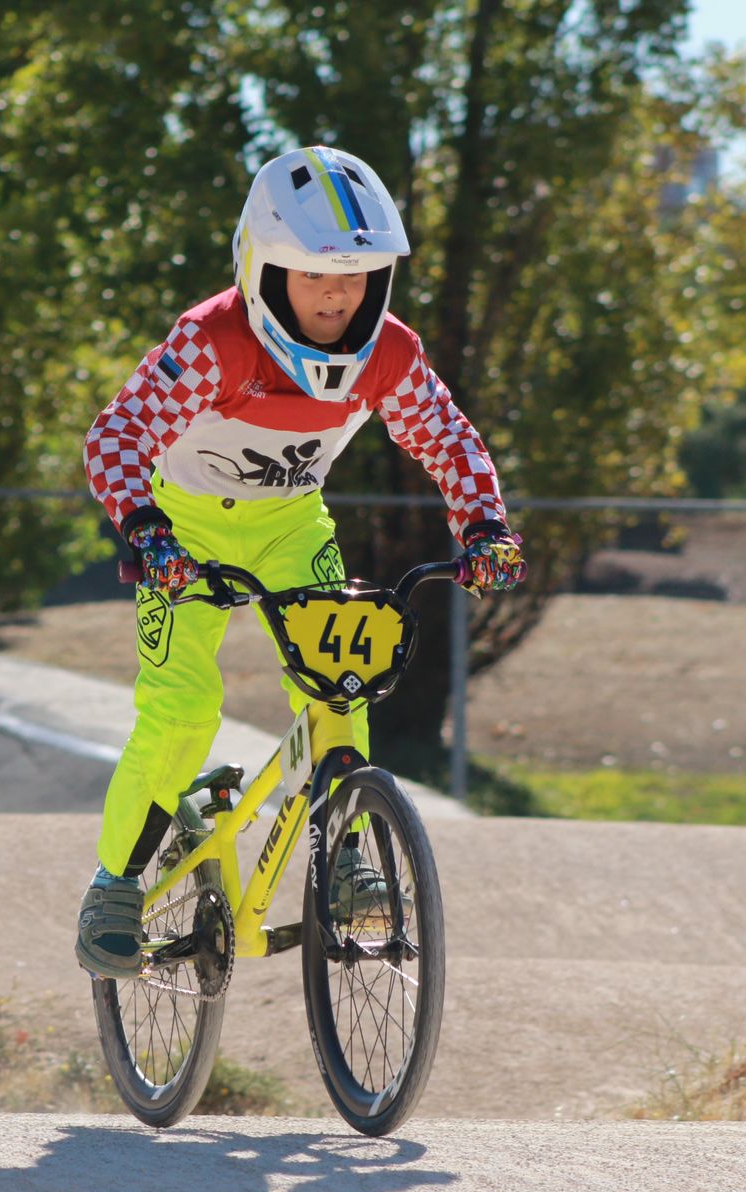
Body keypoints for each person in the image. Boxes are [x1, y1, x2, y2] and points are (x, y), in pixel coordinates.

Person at [76, 145, 526, 978]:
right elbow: (115, 436)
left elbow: (448, 438)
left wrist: (487, 528)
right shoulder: (213, 343)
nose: (334, 295)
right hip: (184, 530)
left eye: (354, 279)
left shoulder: (388, 352)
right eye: (312, 274)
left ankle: (348, 845)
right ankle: (115, 884)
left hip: (291, 528)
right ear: (262, 269)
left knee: (342, 673)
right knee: (182, 711)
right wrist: (145, 531)